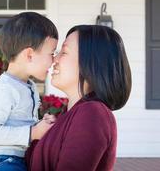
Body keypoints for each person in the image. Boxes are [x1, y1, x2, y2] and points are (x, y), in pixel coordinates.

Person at [25, 25, 132, 171]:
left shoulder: (93, 114)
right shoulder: (69, 114)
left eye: (64, 52)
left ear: (92, 62)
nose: (53, 59)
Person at [0, 12, 59, 171]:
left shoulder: (29, 86)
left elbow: (19, 122)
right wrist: (33, 132)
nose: (54, 60)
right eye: (52, 53)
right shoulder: (5, 89)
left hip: (15, 158)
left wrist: (40, 125)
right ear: (29, 54)